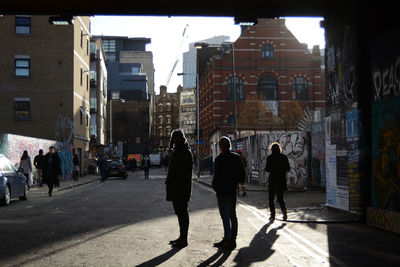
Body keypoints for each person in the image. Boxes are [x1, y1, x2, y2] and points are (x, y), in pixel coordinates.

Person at [212, 136, 245, 250]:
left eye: (223, 144)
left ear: (228, 145)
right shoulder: (219, 159)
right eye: (221, 144)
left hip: (229, 191)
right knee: (225, 216)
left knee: (231, 216)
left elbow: (241, 174)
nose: (222, 146)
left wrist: (236, 183)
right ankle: (227, 238)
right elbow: (216, 175)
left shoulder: (235, 158)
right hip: (221, 191)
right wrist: (215, 186)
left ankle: (232, 240)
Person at [165, 129, 193, 248]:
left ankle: (184, 238)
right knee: (179, 213)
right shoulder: (177, 151)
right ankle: (181, 237)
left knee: (182, 213)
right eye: (173, 139)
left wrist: (176, 183)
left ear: (180, 138)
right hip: (175, 187)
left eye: (175, 138)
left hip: (181, 188)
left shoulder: (185, 152)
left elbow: (184, 172)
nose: (173, 141)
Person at [265, 142, 290, 221]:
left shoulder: (269, 158)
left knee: (271, 199)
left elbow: (267, 169)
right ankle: (284, 213)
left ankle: (272, 215)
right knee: (280, 198)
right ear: (279, 149)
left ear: (271, 149)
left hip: (272, 180)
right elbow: (288, 168)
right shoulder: (284, 157)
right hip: (281, 180)